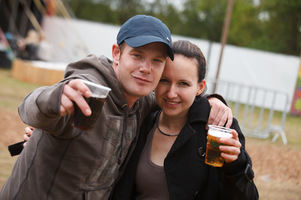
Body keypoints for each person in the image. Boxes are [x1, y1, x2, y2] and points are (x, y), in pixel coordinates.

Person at [0, 15, 232, 200]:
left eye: (156, 61)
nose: (146, 68)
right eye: (138, 55)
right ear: (117, 54)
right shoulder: (88, 91)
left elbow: (178, 99)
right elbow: (32, 108)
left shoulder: (143, 104)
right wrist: (55, 98)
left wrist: (211, 100)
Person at [110, 40, 258, 200]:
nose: (171, 93)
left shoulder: (218, 126)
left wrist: (236, 165)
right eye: (164, 80)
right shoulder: (143, 118)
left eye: (183, 84)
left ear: (200, 87)